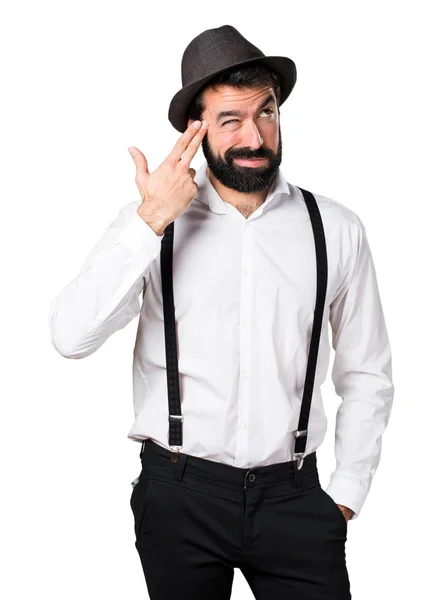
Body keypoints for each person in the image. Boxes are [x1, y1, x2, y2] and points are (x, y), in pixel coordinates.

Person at [48, 24, 394, 600]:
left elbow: (367, 372)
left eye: (266, 114)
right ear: (198, 129)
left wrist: (345, 496)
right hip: (180, 496)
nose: (255, 138)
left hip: (297, 500)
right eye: (231, 120)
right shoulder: (154, 221)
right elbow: (69, 336)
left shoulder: (334, 228)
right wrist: (149, 221)